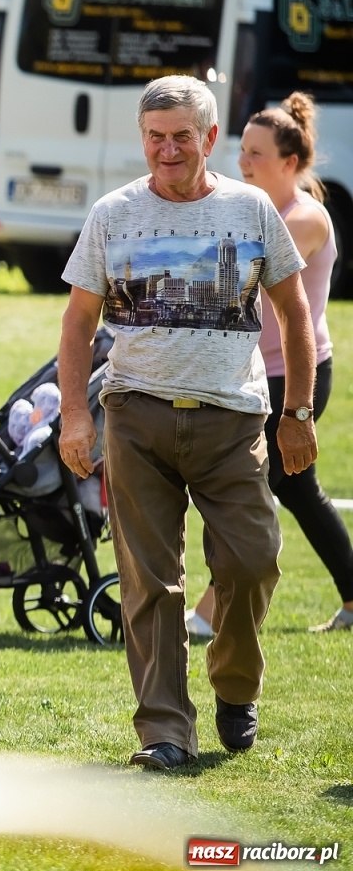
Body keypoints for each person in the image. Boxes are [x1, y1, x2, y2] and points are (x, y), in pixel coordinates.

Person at [59, 75, 317, 770]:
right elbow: (80, 321)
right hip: (136, 415)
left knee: (252, 562)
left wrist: (297, 413)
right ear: (142, 139)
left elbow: (296, 316)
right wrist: (75, 415)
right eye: (154, 137)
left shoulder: (252, 208)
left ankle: (235, 686)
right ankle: (166, 734)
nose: (167, 151)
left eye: (181, 137)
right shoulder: (113, 213)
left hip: (233, 419)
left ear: (208, 139)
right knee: (150, 583)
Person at [186, 93, 353, 638]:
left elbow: (231, 275)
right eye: (241, 150)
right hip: (253, 372)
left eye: (256, 153)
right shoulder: (251, 206)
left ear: (290, 163)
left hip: (296, 377)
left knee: (255, 480)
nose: (242, 163)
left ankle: (211, 613)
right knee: (297, 490)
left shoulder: (305, 219)